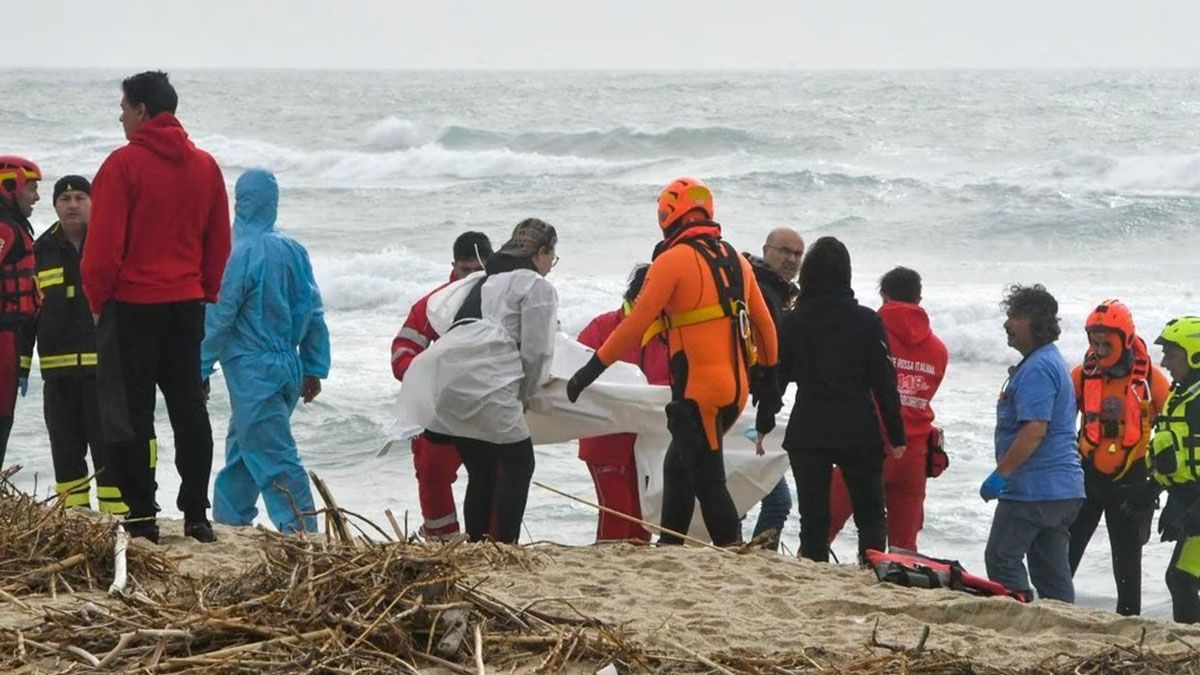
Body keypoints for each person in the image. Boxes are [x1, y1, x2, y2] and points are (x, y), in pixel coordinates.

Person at [568, 177, 780, 547]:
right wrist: (769, 382)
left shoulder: (672, 260)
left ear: (668, 215)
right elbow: (765, 326)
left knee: (708, 479)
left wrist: (589, 371)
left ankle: (732, 553)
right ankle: (670, 547)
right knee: (677, 466)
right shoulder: (735, 260)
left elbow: (635, 323)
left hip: (700, 391)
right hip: (736, 390)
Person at [84, 71, 231, 543]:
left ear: (143, 111)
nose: (120, 115)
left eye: (124, 106)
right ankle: (196, 515)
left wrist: (96, 300)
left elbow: (103, 249)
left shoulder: (122, 165)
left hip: (131, 306)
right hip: (186, 305)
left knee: (131, 414)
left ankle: (142, 515)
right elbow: (219, 244)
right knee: (189, 409)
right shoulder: (206, 166)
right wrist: (204, 290)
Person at [201, 169, 330, 534]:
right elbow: (315, 311)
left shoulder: (237, 252)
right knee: (244, 452)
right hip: (288, 364)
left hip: (253, 369)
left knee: (274, 457)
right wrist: (314, 366)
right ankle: (230, 523)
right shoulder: (293, 249)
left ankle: (302, 533)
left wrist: (199, 365)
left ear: (239, 202)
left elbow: (220, 316)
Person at [422, 219, 559, 544]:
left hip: (449, 383)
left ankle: (478, 544)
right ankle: (505, 545)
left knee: (481, 470)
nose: (551, 266)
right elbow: (538, 352)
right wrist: (526, 394)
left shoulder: (484, 281)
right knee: (520, 464)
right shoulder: (536, 286)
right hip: (488, 386)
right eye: (552, 257)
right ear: (541, 252)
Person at [773, 237, 905, 563]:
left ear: (809, 274)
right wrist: (897, 435)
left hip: (809, 427)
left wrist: (763, 421)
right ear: (845, 273)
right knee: (871, 515)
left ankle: (813, 570)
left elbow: (777, 376)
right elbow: (884, 383)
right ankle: (872, 570)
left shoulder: (794, 320)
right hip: (857, 428)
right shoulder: (866, 321)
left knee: (814, 519)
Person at [19, 177, 125, 514]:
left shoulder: (110, 244)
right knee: (66, 454)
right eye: (64, 198)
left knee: (109, 452)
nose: (72, 204)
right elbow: (26, 316)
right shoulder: (40, 251)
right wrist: (20, 366)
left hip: (105, 372)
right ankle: (75, 519)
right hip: (57, 376)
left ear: (94, 203)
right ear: (55, 206)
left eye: (80, 197)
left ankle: (118, 521)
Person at [828, 266, 947, 553]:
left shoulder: (867, 333)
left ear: (883, 296)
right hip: (914, 453)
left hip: (866, 446)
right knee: (903, 547)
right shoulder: (938, 349)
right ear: (919, 299)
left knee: (824, 524)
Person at [981, 284, 1084, 602]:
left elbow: (1035, 429)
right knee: (1051, 572)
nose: (1007, 323)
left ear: (1036, 322)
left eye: (1015, 316)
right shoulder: (1048, 360)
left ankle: (1020, 616)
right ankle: (1061, 625)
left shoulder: (1039, 367)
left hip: (1035, 489)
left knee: (1001, 557)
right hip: (1063, 490)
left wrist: (1001, 474)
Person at [1067, 300, 1170, 616]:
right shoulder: (1080, 376)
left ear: (1126, 339)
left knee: (1127, 565)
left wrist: (1160, 482)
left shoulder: (1153, 380)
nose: (1098, 349)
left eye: (1105, 342)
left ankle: (1128, 621)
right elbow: (1057, 427)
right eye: (1093, 341)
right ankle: (1051, 609)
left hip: (1132, 482)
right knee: (1063, 555)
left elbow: (1175, 433)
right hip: (1086, 477)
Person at [391, 231, 493, 538]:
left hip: (489, 403)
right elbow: (401, 351)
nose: (472, 277)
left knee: (498, 474)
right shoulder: (434, 304)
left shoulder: (503, 298)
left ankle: (492, 539)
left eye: (479, 270)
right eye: (465, 270)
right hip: (442, 406)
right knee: (432, 469)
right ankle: (441, 537)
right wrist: (425, 375)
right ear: (453, 266)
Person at [577, 264, 669, 543]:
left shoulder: (669, 333)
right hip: (606, 440)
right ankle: (605, 568)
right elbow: (574, 374)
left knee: (644, 521)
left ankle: (632, 575)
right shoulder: (603, 327)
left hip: (650, 444)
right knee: (617, 513)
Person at [742, 227, 803, 549]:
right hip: (745, 409)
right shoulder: (763, 291)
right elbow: (767, 358)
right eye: (784, 251)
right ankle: (753, 556)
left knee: (741, 486)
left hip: (749, 407)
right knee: (777, 499)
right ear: (766, 250)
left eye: (797, 254)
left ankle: (738, 552)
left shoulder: (774, 291)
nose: (792, 259)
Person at [1144, 316, 1200, 623]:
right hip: (1187, 498)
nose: (1164, 363)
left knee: (1182, 578)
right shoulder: (1182, 395)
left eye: (1171, 355)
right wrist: (1150, 490)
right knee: (1181, 578)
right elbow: (1174, 454)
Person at [0, 156, 42, 467]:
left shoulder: (13, 226)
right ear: (11, 185)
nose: (37, 197)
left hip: (12, 337)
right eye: (33, 189)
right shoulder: (5, 229)